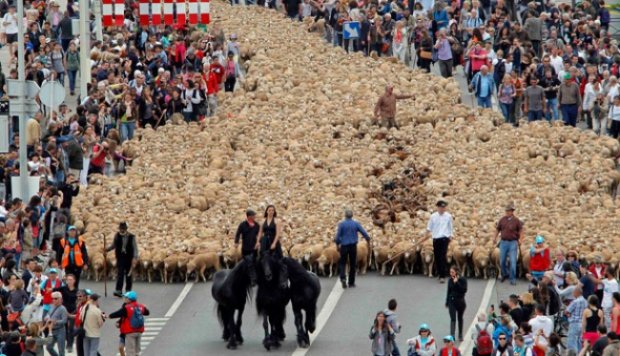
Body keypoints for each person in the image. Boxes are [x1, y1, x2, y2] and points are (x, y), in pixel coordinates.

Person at [335, 209, 370, 289]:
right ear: (352, 216)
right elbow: (363, 232)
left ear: (345, 216)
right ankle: (351, 283)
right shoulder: (355, 224)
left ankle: (343, 278)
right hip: (353, 246)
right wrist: (367, 239)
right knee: (353, 263)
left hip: (344, 246)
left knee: (343, 263)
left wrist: (337, 244)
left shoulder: (341, 224)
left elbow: (337, 236)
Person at [109, 291, 150, 356]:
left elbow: (117, 314)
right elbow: (147, 312)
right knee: (136, 351)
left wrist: (109, 316)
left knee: (130, 352)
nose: (124, 299)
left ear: (129, 299)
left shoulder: (127, 308)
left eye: (126, 297)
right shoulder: (140, 306)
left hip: (130, 332)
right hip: (139, 331)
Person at [493, 203, 524, 285]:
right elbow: (497, 229)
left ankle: (512, 278)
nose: (507, 212)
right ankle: (504, 274)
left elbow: (521, 230)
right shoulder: (502, 220)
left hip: (513, 242)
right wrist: (494, 238)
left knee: (513, 261)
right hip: (503, 242)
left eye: (509, 211)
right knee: (502, 260)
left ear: (512, 211)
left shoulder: (516, 221)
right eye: (506, 211)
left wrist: (520, 239)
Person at [106, 222, 139, 298]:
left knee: (128, 274)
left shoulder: (131, 237)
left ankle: (128, 290)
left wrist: (135, 257)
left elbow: (135, 248)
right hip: (120, 257)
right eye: (121, 229)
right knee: (120, 273)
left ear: (126, 229)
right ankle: (119, 290)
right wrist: (107, 250)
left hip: (129, 258)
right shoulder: (117, 236)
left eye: (123, 229)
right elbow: (113, 245)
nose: (122, 230)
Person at [423, 200, 453, 283]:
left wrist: (451, 235)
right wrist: (425, 235)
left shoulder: (448, 216)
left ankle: (442, 276)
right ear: (438, 208)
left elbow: (450, 227)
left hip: (444, 238)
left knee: (442, 256)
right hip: (436, 239)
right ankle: (440, 273)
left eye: (444, 207)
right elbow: (429, 227)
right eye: (441, 207)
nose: (442, 209)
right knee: (437, 257)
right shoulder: (433, 216)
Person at [446, 265, 467, 341]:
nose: (451, 274)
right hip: (452, 301)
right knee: (453, 318)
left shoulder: (462, 280)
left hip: (460, 301)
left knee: (460, 318)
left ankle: (460, 334)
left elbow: (464, 290)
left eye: (452, 272)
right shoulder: (450, 280)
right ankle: (452, 335)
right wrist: (447, 302)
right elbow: (448, 291)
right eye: (450, 272)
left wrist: (457, 282)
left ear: (456, 272)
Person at [46, 291, 68, 356]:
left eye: (55, 298)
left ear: (60, 299)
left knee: (61, 349)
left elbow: (64, 320)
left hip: (60, 330)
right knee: (48, 347)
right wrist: (46, 318)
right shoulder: (51, 306)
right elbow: (48, 314)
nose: (54, 300)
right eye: (53, 298)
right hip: (52, 330)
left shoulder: (63, 309)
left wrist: (55, 321)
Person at [567, 286, 588, 352]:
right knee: (579, 342)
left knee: (572, 342)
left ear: (576, 292)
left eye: (573, 292)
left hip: (574, 323)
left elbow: (567, 311)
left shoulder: (575, 301)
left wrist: (569, 315)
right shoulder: (585, 301)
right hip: (582, 323)